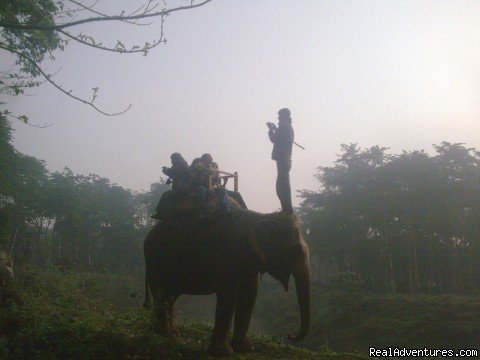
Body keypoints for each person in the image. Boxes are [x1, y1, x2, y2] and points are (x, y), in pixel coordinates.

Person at [267, 108, 294, 214]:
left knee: (282, 185)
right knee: (283, 183)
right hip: (286, 159)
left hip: (283, 159)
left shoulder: (284, 127)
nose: (278, 117)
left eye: (279, 115)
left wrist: (271, 130)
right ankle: (286, 208)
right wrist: (275, 129)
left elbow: (275, 139)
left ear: (283, 116)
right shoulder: (287, 127)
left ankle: (287, 209)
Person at [152, 153, 191, 220]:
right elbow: (173, 176)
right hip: (178, 187)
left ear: (176, 159)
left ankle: (166, 214)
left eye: (172, 159)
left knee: (167, 196)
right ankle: (160, 213)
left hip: (184, 188)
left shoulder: (184, 167)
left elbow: (178, 177)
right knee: (165, 195)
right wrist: (168, 174)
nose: (171, 161)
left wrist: (168, 173)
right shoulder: (176, 166)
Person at [191, 153, 228, 218]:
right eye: (208, 158)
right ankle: (200, 210)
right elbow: (195, 177)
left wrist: (215, 186)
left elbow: (218, 180)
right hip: (202, 185)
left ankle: (224, 207)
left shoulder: (214, 167)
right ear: (203, 159)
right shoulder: (199, 165)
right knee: (202, 190)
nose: (210, 160)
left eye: (211, 158)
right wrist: (203, 171)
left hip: (213, 186)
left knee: (222, 189)